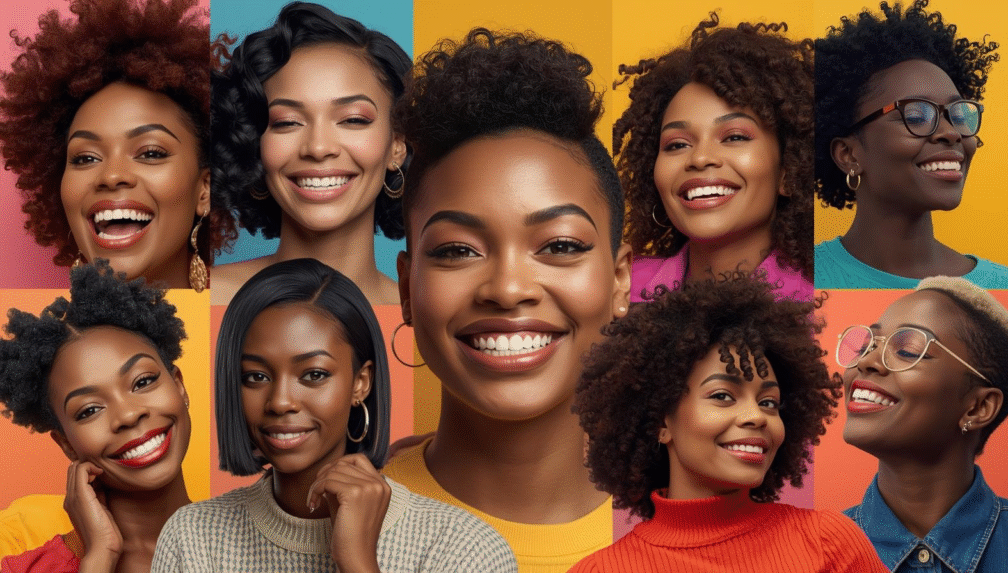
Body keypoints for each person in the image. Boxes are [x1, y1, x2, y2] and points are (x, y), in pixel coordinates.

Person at [384, 28, 632, 572]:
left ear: (619, 282)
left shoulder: (699, 530)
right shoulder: (333, 524)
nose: (508, 287)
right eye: (456, 250)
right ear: (407, 289)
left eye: (561, 246)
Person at [151, 259, 515, 572]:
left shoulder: (464, 549)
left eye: (313, 375)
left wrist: (357, 561)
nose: (280, 402)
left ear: (361, 383)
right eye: (256, 377)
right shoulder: (193, 538)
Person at [569, 278, 886, 572]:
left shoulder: (828, 544)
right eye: (722, 395)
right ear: (661, 422)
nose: (757, 416)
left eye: (769, 403)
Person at [0, 0, 223, 291]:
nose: (111, 175)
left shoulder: (240, 323)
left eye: (151, 153)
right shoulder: (26, 332)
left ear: (204, 189)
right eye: (85, 158)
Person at [210, 2, 410, 305]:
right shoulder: (205, 301)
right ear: (255, 145)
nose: (318, 148)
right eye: (287, 122)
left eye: (353, 120)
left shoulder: (422, 323)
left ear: (396, 145)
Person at [814, 0, 1008, 288]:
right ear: (848, 154)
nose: (951, 133)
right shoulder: (800, 283)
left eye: (959, 114)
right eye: (917, 114)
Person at [0, 260, 193, 572]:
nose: (128, 415)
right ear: (66, 444)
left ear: (179, 386)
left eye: (143, 382)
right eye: (90, 410)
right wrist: (100, 556)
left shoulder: (259, 545)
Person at [614, 14, 813, 302]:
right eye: (677, 144)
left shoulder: (822, 303)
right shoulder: (616, 291)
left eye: (734, 137)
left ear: (788, 171)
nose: (700, 158)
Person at [836, 276, 1008, 571]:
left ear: (978, 407)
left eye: (908, 351)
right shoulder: (813, 553)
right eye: (866, 346)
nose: (867, 360)